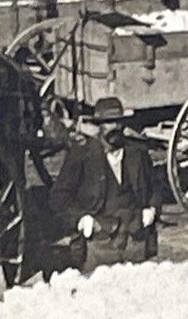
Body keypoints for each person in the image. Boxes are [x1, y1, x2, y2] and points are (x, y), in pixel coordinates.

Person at [48, 97, 162, 270]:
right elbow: (58, 198)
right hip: (99, 244)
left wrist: (152, 209)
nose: (115, 127)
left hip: (135, 241)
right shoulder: (82, 155)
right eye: (108, 122)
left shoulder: (137, 153)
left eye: (118, 122)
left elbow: (155, 187)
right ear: (99, 126)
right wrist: (80, 219)